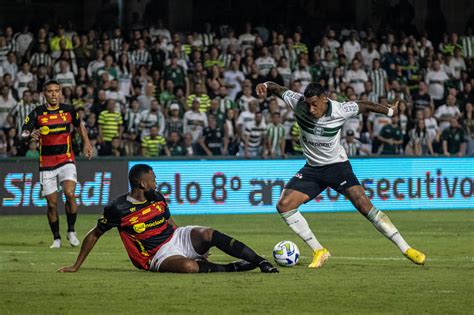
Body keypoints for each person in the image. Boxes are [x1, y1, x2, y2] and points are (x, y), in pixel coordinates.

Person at [256, 81, 425, 268]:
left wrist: (390, 112)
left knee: (363, 204)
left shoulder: (340, 109)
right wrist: (264, 84)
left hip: (337, 167)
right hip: (313, 169)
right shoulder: (297, 102)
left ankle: (406, 249)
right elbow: (277, 88)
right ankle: (319, 250)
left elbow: (365, 105)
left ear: (324, 99)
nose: (311, 109)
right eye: (308, 104)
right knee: (284, 205)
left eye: (315, 104)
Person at [57, 164, 278, 274]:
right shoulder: (118, 208)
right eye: (153, 179)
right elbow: (95, 234)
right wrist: (76, 266)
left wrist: (190, 244)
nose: (156, 182)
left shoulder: (156, 196)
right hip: (155, 255)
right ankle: (232, 268)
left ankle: (261, 262)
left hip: (175, 237)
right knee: (190, 268)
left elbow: (170, 222)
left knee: (208, 233)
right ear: (142, 184)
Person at [21, 79, 93, 248]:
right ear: (44, 94)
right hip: (46, 164)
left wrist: (86, 143)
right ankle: (57, 238)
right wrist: (30, 134)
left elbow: (79, 125)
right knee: (52, 204)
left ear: (60, 93)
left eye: (56, 91)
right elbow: (23, 132)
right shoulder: (37, 113)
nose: (54, 94)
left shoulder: (69, 110)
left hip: (66, 159)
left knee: (69, 194)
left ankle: (71, 231)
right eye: (50, 91)